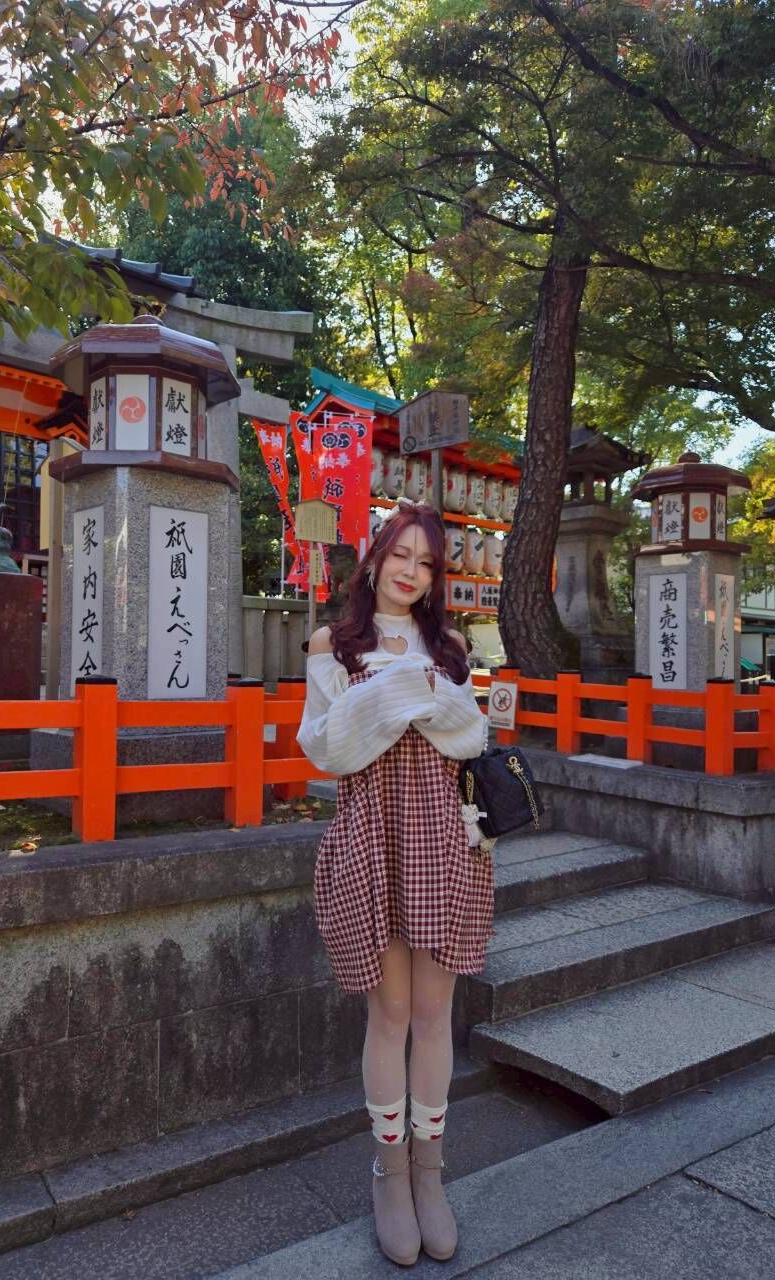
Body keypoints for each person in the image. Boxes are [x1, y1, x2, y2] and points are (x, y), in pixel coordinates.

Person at [297, 498, 490, 1267]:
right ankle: (389, 1173)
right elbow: (328, 749)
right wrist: (411, 694)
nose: (412, 572)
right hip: (371, 833)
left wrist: (398, 694)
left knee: (436, 1014)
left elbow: (472, 736)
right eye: (400, 554)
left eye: (427, 562)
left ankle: (430, 1173)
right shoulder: (335, 643)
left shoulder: (451, 646)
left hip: (442, 834)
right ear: (374, 557)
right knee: (391, 1012)